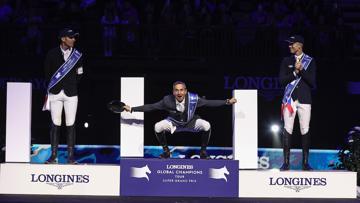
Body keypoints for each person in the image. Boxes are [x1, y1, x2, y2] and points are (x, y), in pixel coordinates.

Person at [123, 81, 237, 159]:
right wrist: (132, 109)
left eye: (181, 90)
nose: (179, 93)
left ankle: (203, 152)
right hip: (174, 124)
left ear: (186, 91)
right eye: (176, 90)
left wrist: (227, 101)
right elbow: (152, 106)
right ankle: (166, 152)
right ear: (173, 92)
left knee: (206, 125)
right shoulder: (167, 100)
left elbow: (209, 103)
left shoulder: (194, 99)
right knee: (157, 126)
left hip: (191, 123)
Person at [43, 28, 84, 164]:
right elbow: (47, 74)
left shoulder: (77, 55)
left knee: (71, 124)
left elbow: (80, 74)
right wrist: (55, 87)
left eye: (74, 37)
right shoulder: (52, 54)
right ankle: (54, 156)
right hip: (55, 93)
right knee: (55, 124)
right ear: (63, 39)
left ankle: (70, 157)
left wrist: (71, 84)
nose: (74, 39)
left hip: (71, 94)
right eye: (71, 37)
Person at [279, 35, 316, 170]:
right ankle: (286, 162)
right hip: (290, 100)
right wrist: (294, 72)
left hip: (305, 100)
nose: (289, 46)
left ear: (299, 45)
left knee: (305, 129)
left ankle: (305, 163)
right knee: (287, 129)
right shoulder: (286, 61)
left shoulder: (310, 61)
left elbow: (312, 82)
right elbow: (281, 81)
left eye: (291, 44)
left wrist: (302, 71)